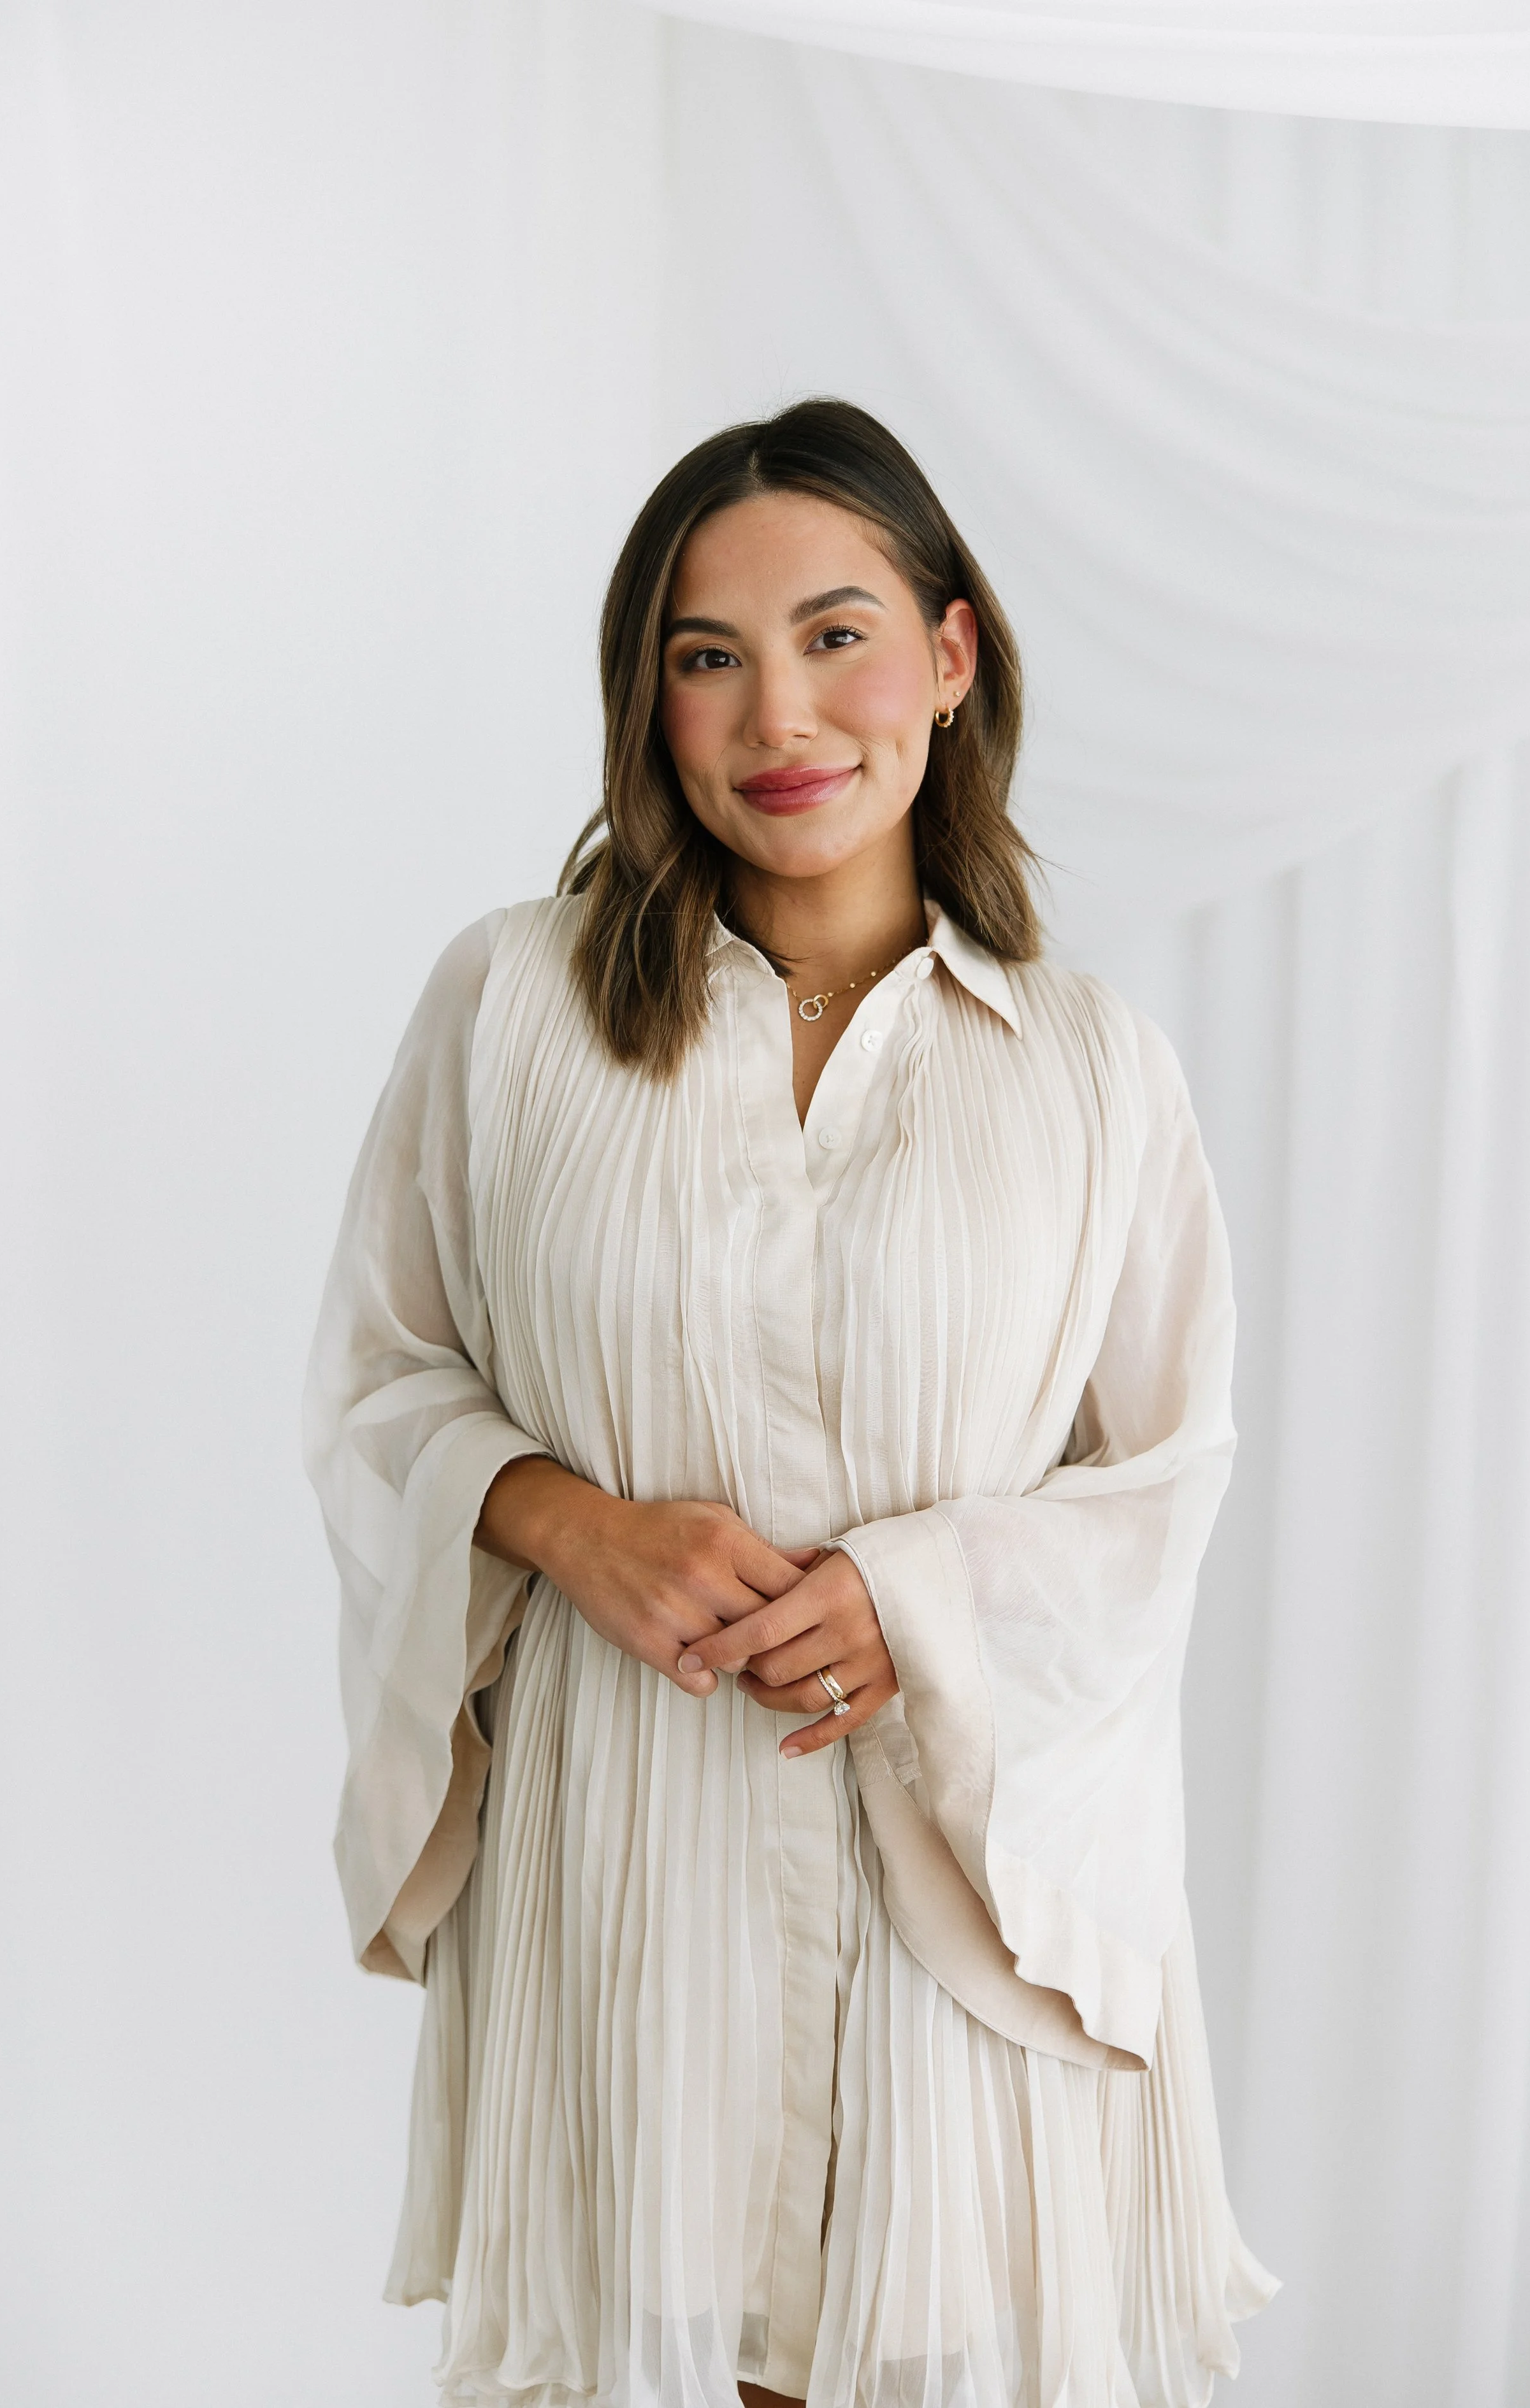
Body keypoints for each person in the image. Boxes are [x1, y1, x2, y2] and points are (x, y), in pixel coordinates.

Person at [305, 398, 1277, 2408]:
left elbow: (1165, 1474)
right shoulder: (508, 1009)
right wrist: (566, 1520)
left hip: (957, 1881)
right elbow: (379, 1377)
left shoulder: (1094, 1067)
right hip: (628, 1861)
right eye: (706, 654)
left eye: (836, 635)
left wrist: (916, 1592)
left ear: (948, 654)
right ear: (645, 701)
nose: (779, 716)